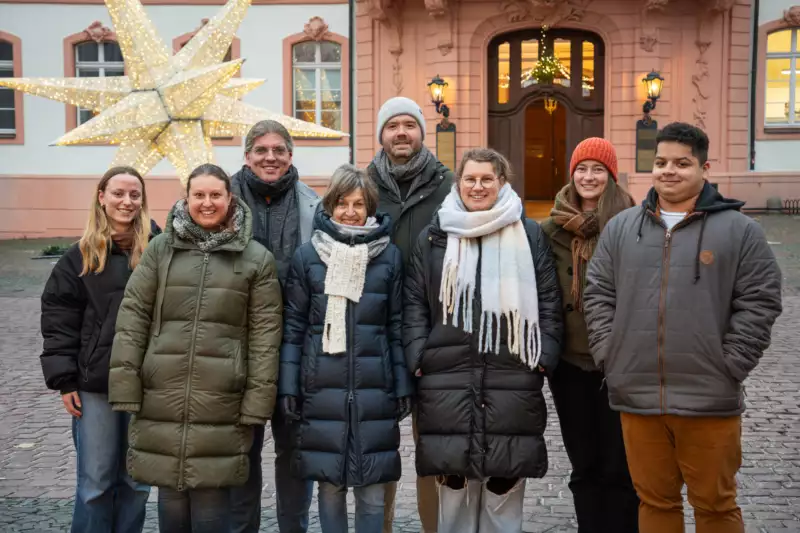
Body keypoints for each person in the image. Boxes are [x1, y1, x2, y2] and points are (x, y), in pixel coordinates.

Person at [584, 122, 783, 533]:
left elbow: (760, 301)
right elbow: (598, 292)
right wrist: (610, 353)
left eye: (681, 163)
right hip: (637, 394)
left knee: (715, 505)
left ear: (704, 168)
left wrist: (731, 363)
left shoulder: (741, 231)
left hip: (708, 395)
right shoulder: (623, 228)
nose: (668, 171)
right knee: (655, 501)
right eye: (660, 162)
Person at [108, 163, 283, 532]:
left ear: (229, 198)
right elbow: (133, 316)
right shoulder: (160, 250)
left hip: (222, 399)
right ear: (186, 199)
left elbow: (266, 338)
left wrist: (256, 403)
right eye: (199, 195)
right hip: (163, 393)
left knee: (211, 507)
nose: (207, 203)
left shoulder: (256, 259)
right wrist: (126, 386)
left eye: (215, 195)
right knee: (170, 502)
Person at [403, 148, 563, 533]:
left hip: (513, 372)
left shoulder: (527, 233)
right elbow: (414, 304)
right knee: (453, 486)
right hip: (446, 376)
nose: (478, 186)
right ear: (459, 182)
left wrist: (545, 353)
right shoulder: (435, 236)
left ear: (502, 183)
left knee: (503, 486)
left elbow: (548, 298)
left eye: (487, 179)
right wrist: (418, 354)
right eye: (470, 179)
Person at [278, 164, 413, 533]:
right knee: (330, 487)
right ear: (330, 206)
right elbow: (294, 327)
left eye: (359, 204)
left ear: (370, 207)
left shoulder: (389, 257)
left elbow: (395, 326)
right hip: (322, 388)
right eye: (342, 203)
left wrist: (402, 385)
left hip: (374, 390)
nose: (350, 212)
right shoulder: (308, 257)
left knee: (371, 490)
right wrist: (289, 385)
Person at [40, 166, 155, 533]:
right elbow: (59, 320)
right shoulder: (80, 257)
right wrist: (65, 380)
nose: (127, 201)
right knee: (96, 482)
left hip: (145, 382)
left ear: (142, 201)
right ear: (101, 197)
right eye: (118, 193)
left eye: (134, 195)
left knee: (137, 482)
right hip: (95, 385)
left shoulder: (159, 251)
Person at [541, 138, 639, 533]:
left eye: (599, 169)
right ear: (572, 173)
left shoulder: (633, 223)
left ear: (611, 176)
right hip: (570, 363)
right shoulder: (550, 228)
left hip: (620, 361)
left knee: (621, 464)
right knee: (584, 464)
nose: (589, 176)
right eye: (582, 168)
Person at [368, 96, 454, 533]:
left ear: (422, 132)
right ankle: (380, 524)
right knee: (378, 443)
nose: (401, 132)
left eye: (409, 125)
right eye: (392, 126)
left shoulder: (449, 185)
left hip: (432, 332)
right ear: (380, 135)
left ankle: (432, 527)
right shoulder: (363, 187)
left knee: (432, 445)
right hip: (375, 334)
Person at [230, 119, 318, 533]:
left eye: (278, 150)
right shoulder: (221, 199)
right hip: (235, 347)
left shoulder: (313, 206)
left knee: (294, 450)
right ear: (247, 156)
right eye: (261, 150)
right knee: (241, 450)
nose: (270, 157)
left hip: (294, 348)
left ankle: (294, 528)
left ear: (290, 155)